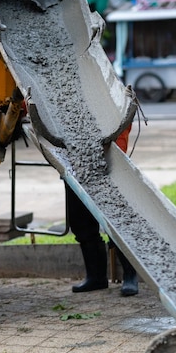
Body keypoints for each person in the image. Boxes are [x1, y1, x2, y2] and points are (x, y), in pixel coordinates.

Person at [67, 124, 138, 296]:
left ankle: (130, 275)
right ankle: (96, 277)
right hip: (73, 153)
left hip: (110, 152)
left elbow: (121, 109)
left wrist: (115, 152)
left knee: (115, 219)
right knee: (80, 221)